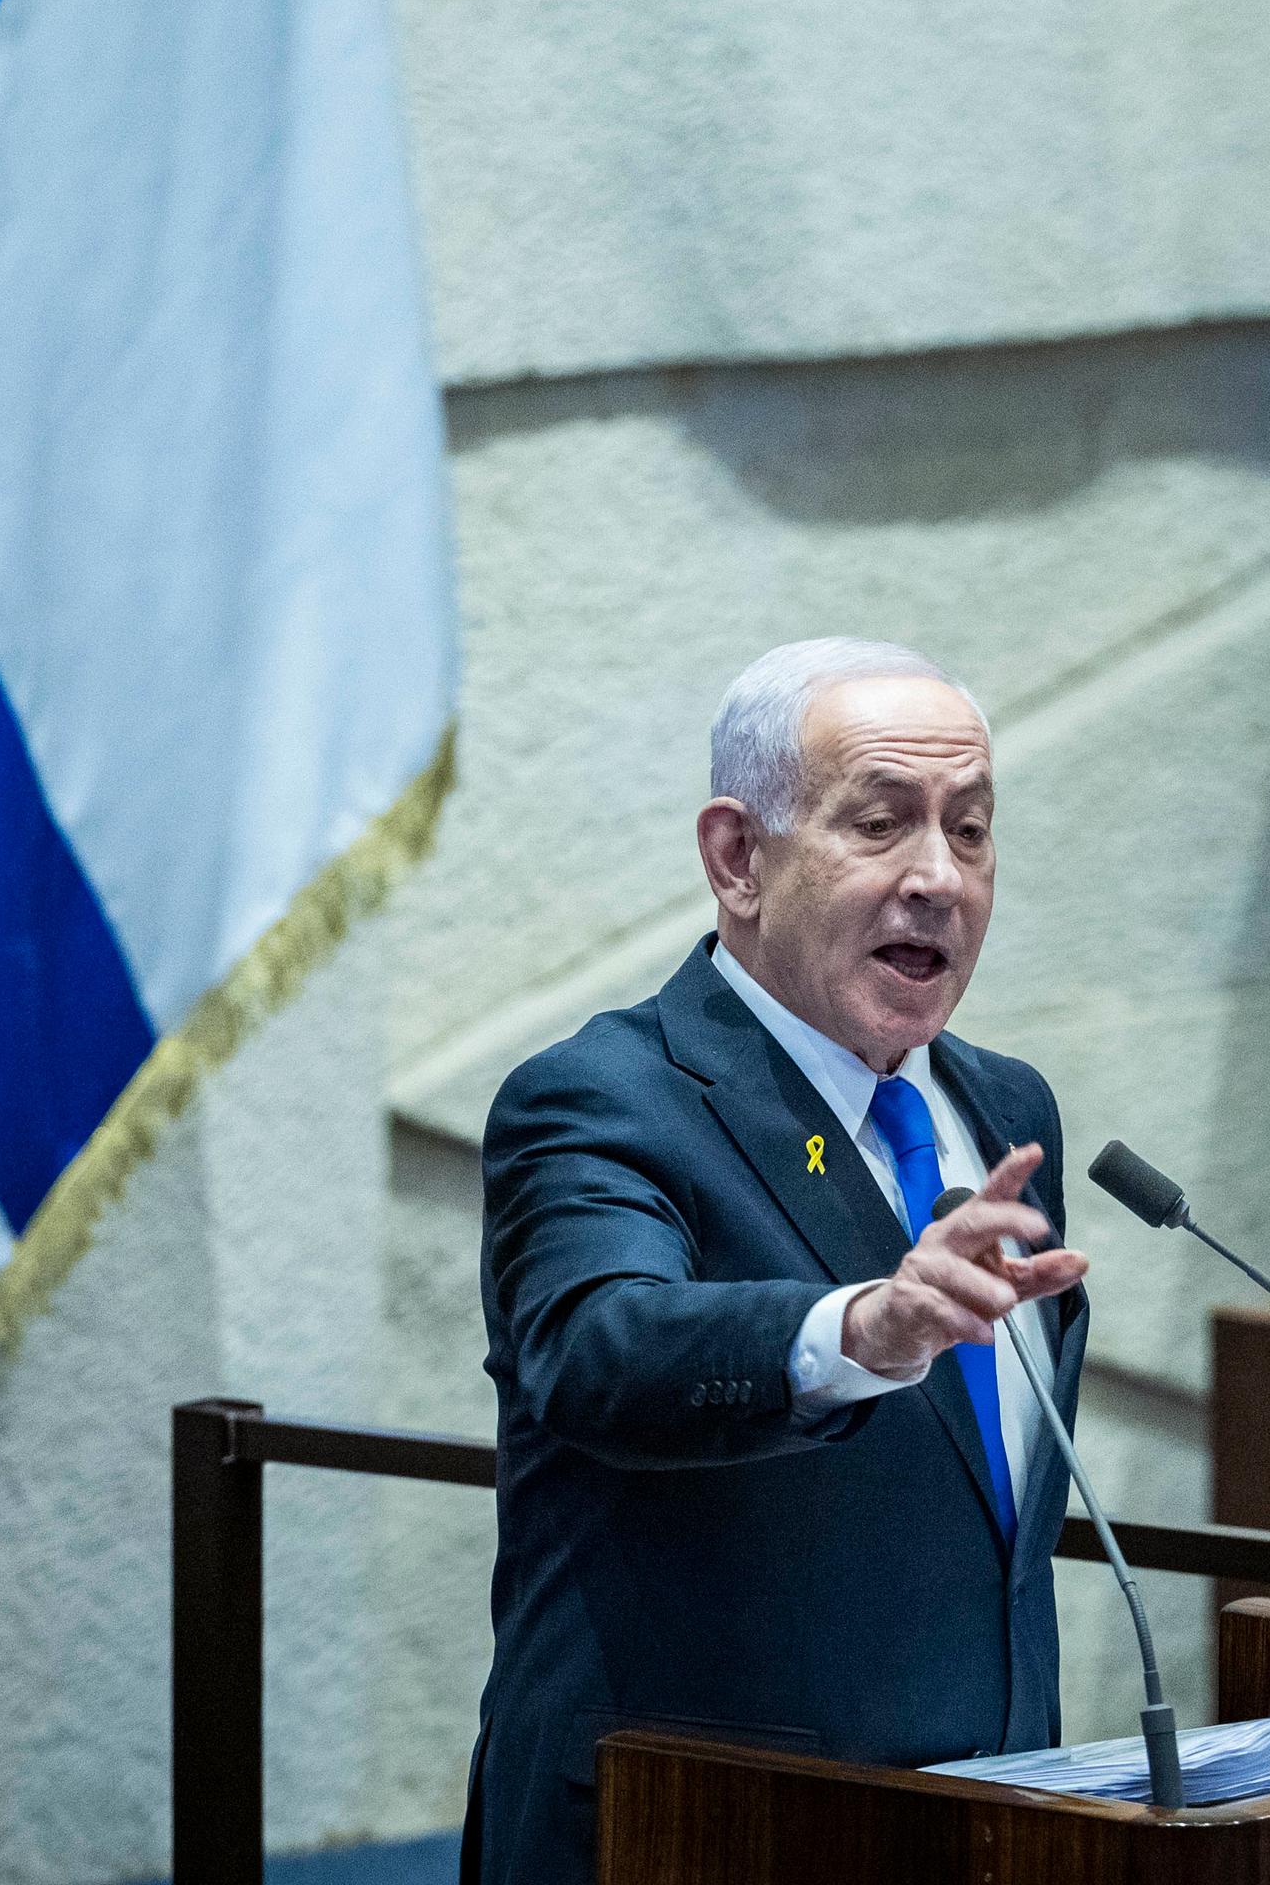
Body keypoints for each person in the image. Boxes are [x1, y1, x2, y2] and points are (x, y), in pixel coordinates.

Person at [466, 638, 1086, 1884]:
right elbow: (601, 1352)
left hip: (981, 1826)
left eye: (970, 831)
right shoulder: (602, 1099)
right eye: (882, 824)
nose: (938, 878)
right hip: (695, 1830)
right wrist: (861, 1327)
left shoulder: (1008, 1111)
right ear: (739, 857)